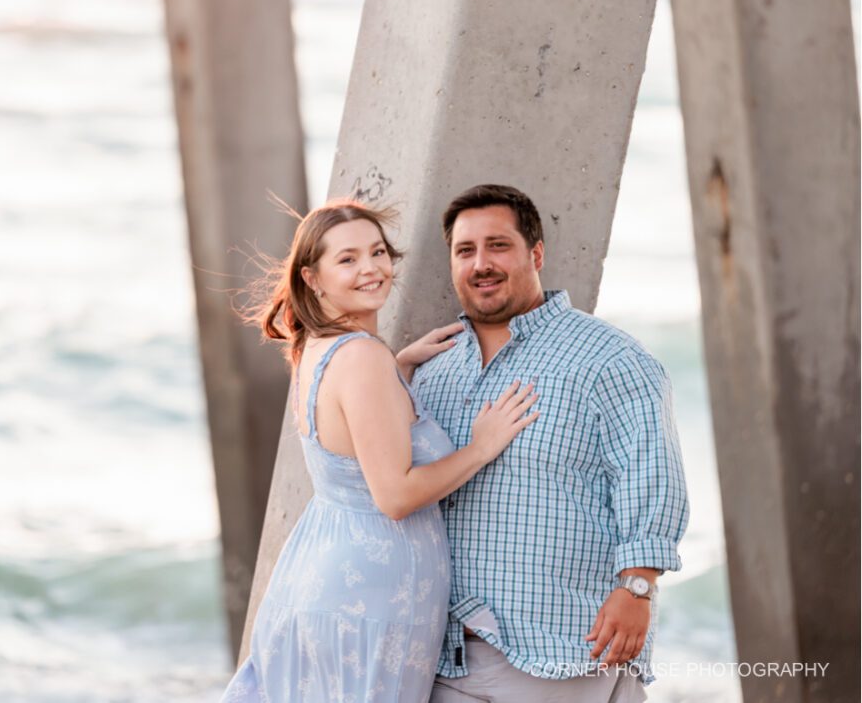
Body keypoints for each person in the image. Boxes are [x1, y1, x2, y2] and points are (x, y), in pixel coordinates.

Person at [222, 200, 538, 703]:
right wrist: (481, 447)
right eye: (347, 260)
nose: (370, 268)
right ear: (313, 277)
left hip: (321, 579)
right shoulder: (363, 359)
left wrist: (400, 367)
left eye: (377, 252)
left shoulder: (318, 347)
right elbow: (394, 495)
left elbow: (351, 432)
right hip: (368, 599)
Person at [396, 184, 689, 703]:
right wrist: (397, 370)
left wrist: (637, 586)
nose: (481, 263)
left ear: (536, 253)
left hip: (561, 649)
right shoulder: (433, 372)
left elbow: (651, 477)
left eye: (498, 245)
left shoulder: (609, 359)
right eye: (465, 251)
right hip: (443, 657)